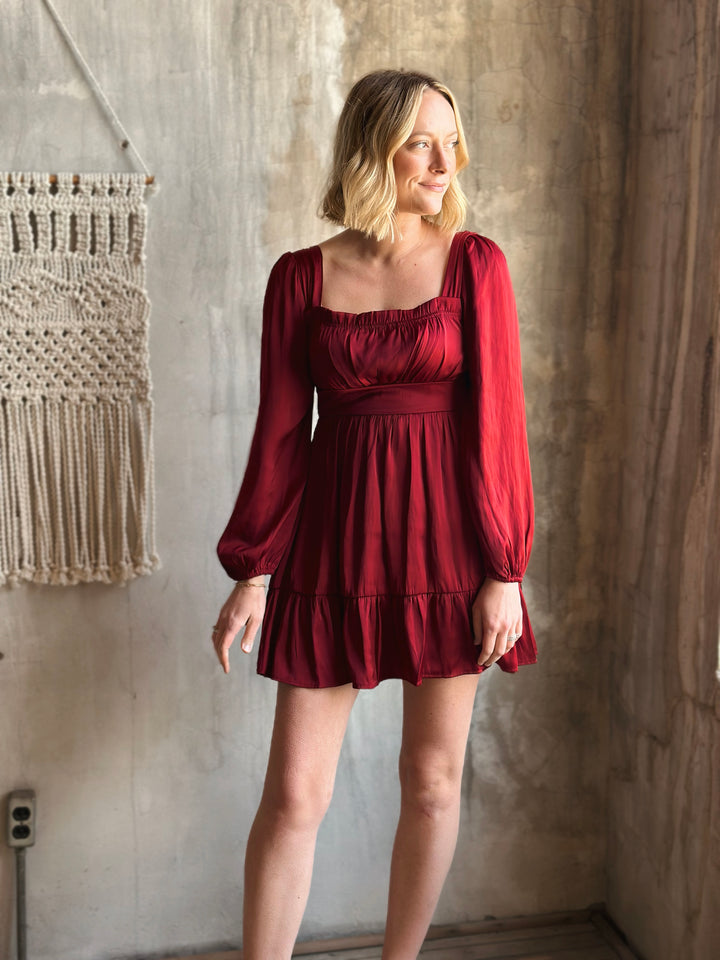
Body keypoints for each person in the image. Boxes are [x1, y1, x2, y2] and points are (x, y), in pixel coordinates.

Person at [212, 68, 536, 960]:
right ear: (373, 148)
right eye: (420, 142)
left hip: (452, 553)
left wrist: (505, 571)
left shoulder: (477, 265)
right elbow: (281, 435)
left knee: (431, 784)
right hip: (333, 552)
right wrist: (254, 569)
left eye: (450, 140)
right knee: (292, 799)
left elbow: (501, 426)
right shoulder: (301, 277)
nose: (445, 161)